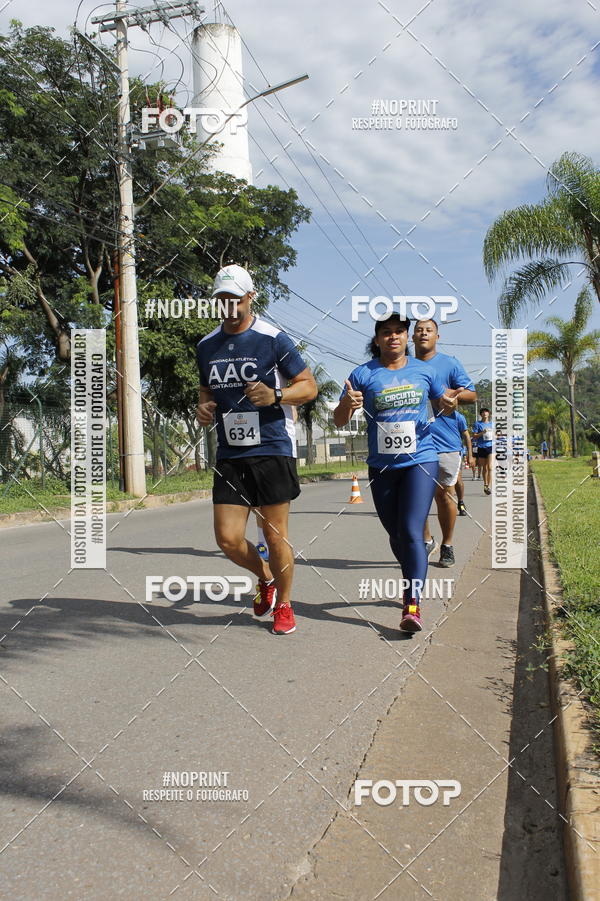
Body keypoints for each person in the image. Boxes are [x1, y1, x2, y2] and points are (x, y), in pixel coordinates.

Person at [195, 264, 317, 635]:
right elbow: (206, 390)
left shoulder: (273, 338)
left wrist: (276, 394)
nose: (228, 305)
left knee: (275, 534)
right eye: (221, 299)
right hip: (231, 453)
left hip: (272, 448)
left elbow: (309, 386)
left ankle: (284, 603)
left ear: (250, 297)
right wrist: (203, 407)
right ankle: (265, 577)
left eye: (235, 298)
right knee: (228, 539)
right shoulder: (206, 345)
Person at [333, 313, 454, 633]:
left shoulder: (424, 371)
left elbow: (443, 404)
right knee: (396, 533)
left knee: (412, 529)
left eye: (399, 331)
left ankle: (412, 603)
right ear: (377, 340)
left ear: (407, 337)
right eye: (386, 332)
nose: (393, 337)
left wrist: (447, 403)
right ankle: (411, 575)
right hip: (382, 465)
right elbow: (339, 420)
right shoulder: (362, 374)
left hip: (421, 460)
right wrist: (348, 403)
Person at [412, 319, 477, 568]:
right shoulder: (405, 364)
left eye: (429, 330)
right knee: (417, 497)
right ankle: (427, 540)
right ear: (413, 337)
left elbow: (471, 393)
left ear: (437, 336)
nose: (423, 333)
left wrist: (455, 397)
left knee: (444, 495)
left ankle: (447, 544)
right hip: (415, 442)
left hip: (446, 442)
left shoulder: (449, 363)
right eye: (419, 330)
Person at [455, 411, 475, 516]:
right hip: (434, 453)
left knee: (458, 480)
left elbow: (467, 436)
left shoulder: (458, 417)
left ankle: (460, 502)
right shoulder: (430, 415)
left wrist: (470, 456)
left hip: (455, 452)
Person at [472, 409, 494, 494]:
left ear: (488, 414)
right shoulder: (477, 424)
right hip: (481, 447)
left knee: (490, 467)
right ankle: (485, 484)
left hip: (490, 446)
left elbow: (496, 434)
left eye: (486, 412)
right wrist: (482, 433)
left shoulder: (492, 424)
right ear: (481, 414)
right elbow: (474, 436)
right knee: (484, 467)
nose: (485, 413)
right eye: (483, 412)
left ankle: (489, 486)